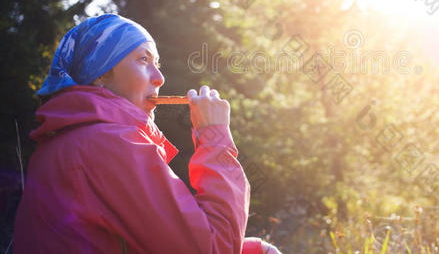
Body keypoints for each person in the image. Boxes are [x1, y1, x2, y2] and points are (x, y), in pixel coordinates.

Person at [14, 14, 282, 254]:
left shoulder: (71, 139)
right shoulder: (107, 144)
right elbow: (212, 249)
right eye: (143, 59)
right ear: (101, 74)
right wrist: (214, 136)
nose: (159, 77)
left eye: (157, 63)